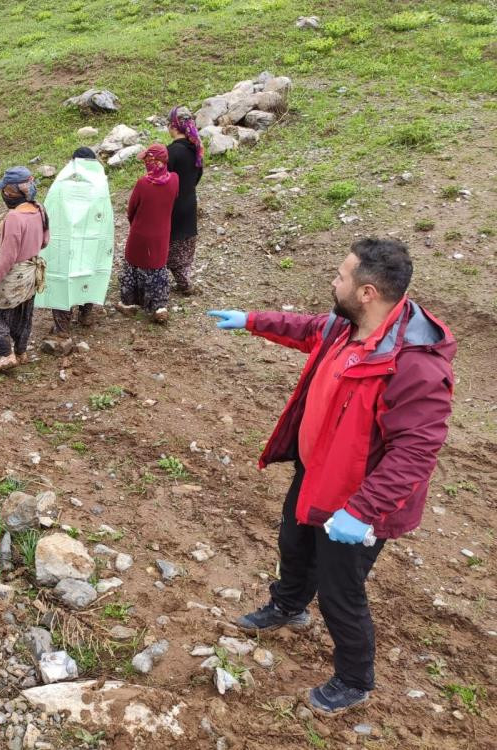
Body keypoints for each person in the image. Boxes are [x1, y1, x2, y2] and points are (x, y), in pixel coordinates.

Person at [208, 238, 455, 716]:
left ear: (366, 292)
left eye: (341, 276)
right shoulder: (346, 328)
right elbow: (307, 328)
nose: (333, 282)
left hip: (359, 500)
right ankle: (288, 606)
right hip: (316, 472)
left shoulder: (414, 363)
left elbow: (417, 450)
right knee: (294, 544)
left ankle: (355, 678)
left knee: (342, 592)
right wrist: (251, 320)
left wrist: (362, 511)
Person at [34, 147, 113, 337]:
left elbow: (49, 210)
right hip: (92, 241)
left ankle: (62, 326)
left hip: (63, 242)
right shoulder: (100, 183)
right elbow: (106, 216)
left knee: (62, 276)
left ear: (73, 161)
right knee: (90, 272)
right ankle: (85, 315)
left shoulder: (61, 182)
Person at [0, 167, 49, 371]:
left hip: (15, 274)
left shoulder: (14, 218)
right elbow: (45, 241)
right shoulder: (40, 209)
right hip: (32, 272)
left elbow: (6, 258)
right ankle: (21, 352)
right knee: (23, 313)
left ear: (10, 193)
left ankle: (6, 355)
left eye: (5, 191)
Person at [116, 144, 179, 324]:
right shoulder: (175, 179)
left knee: (133, 266)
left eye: (146, 160)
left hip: (140, 233)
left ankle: (128, 303)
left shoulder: (143, 183)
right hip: (162, 233)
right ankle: (159, 307)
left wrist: (135, 223)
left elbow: (131, 210)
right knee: (157, 267)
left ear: (152, 161)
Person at [165, 106, 204, 295]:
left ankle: (183, 282)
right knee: (186, 244)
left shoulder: (171, 152)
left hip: (173, 205)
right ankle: (185, 278)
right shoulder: (195, 149)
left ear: (173, 126)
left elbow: (161, 180)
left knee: (171, 244)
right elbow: (198, 176)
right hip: (190, 202)